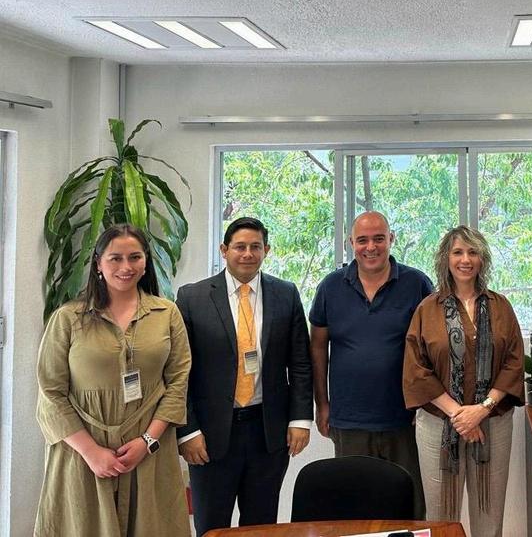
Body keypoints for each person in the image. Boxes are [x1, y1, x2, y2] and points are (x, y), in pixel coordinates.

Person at [35, 224, 191, 536]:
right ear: (98, 263)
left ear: (145, 262)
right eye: (115, 258)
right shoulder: (68, 318)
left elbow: (178, 382)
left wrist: (147, 442)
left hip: (148, 452)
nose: (126, 267)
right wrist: (91, 452)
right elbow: (51, 392)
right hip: (83, 453)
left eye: (135, 257)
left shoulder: (167, 314)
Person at [176, 217, 312, 536]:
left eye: (255, 247)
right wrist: (187, 431)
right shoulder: (193, 298)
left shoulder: (286, 294)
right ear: (224, 250)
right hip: (210, 437)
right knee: (212, 527)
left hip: (268, 433)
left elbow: (300, 363)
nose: (248, 253)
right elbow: (179, 372)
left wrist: (300, 420)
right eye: (239, 247)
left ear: (266, 250)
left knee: (261, 527)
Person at [310, 210, 433, 518]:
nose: (371, 247)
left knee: (408, 506)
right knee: (354, 506)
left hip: (404, 419)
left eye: (379, 239)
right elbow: (318, 348)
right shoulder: (330, 287)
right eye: (362, 240)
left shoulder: (417, 284)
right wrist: (322, 404)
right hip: (349, 420)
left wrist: (428, 404)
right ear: (351, 243)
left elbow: (434, 347)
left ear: (391, 239)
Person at [403, 226, 524, 537]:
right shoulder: (427, 309)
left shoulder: (500, 306)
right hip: (438, 424)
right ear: (446, 259)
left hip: (492, 422)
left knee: (489, 513)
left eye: (473, 252)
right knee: (441, 517)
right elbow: (417, 369)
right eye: (458, 252)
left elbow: (513, 361)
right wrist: (460, 415)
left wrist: (481, 409)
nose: (465, 259)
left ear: (482, 259)